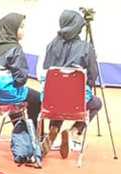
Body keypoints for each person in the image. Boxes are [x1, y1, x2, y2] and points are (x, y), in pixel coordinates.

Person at [41, 9, 102, 159]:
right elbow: (93, 75)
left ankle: (53, 129)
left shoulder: (51, 45)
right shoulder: (86, 47)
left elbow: (46, 68)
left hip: (52, 99)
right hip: (76, 100)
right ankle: (73, 132)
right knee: (96, 103)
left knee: (60, 100)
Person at [0, 13, 41, 129]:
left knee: (13, 92)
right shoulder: (14, 49)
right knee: (37, 98)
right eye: (21, 27)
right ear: (11, 28)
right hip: (3, 95)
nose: (23, 31)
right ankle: (31, 135)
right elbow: (21, 79)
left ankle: (21, 127)